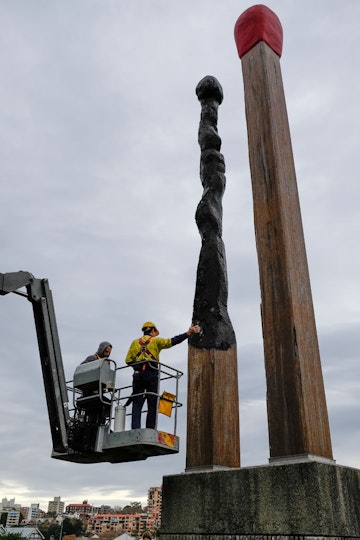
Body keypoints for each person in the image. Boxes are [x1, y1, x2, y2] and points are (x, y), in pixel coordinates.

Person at [125, 321, 201, 429]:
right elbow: (171, 341)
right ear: (152, 331)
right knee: (152, 402)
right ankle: (150, 429)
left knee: (137, 402)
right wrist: (188, 333)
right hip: (151, 373)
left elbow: (128, 360)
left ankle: (135, 428)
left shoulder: (134, 343)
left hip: (138, 375)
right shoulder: (155, 341)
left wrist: (138, 367)